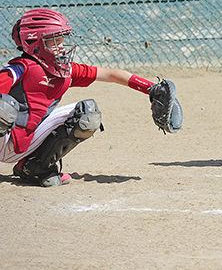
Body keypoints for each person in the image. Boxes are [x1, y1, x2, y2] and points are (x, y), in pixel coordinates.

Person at [0, 9, 178, 187]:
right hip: (4, 137)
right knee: (4, 106)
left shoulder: (65, 71)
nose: (61, 47)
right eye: (54, 40)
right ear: (34, 43)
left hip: (26, 143)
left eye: (62, 40)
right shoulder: (20, 68)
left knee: (87, 113)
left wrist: (150, 89)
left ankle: (35, 167)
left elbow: (111, 75)